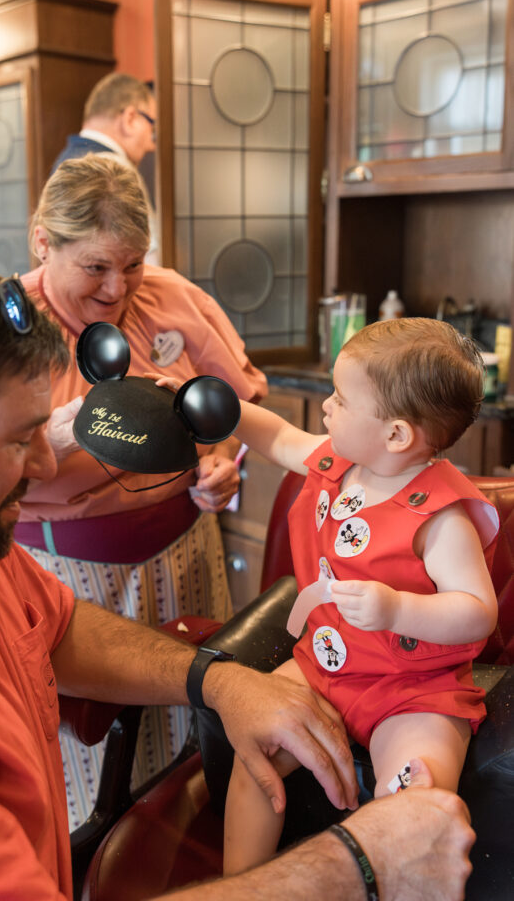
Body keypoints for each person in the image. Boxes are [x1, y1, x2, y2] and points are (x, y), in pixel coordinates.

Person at [0, 248, 476, 901]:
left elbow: (53, 628)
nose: (47, 469)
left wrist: (215, 679)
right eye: (19, 441)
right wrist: (358, 864)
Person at [16, 152, 268, 829]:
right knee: (94, 769)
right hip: (66, 579)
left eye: (131, 263)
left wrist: (220, 462)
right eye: (95, 266)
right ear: (44, 241)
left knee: (196, 738)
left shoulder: (169, 296)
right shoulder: (4, 330)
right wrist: (57, 438)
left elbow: (236, 403)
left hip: (186, 551)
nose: (116, 287)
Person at [206, 317, 498, 876]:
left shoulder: (441, 515)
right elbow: (277, 437)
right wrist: (224, 408)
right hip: (324, 663)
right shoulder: (338, 460)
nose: (325, 408)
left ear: (395, 434)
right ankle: (239, 885)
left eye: (340, 399)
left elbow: (477, 612)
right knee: (256, 754)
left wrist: (397, 608)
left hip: (413, 689)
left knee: (416, 796)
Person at [51, 72, 159, 263]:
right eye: (152, 125)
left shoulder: (65, 160)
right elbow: (149, 256)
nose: (152, 144)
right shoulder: (115, 170)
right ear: (130, 119)